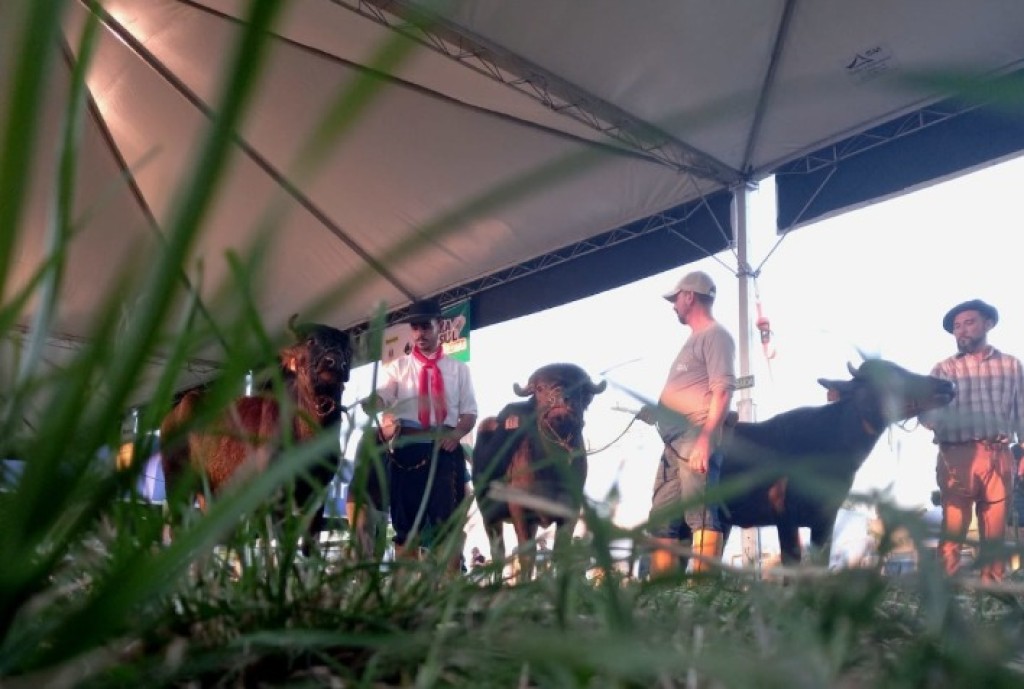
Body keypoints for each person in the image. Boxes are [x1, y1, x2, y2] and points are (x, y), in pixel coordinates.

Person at [362, 298, 478, 569]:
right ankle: (405, 589)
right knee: (405, 527)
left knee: (447, 525)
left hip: (444, 451)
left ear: (440, 326)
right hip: (407, 452)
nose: (419, 334)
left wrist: (456, 434)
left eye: (426, 326)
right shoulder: (398, 367)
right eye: (415, 328)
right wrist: (374, 402)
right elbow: (385, 393)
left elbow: (470, 414)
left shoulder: (459, 370)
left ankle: (447, 588)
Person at [639, 270, 736, 577]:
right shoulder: (697, 339)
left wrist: (706, 440)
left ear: (690, 296)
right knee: (662, 517)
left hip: (695, 436)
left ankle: (705, 589)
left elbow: (723, 391)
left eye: (676, 298)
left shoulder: (715, 335)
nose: (674, 305)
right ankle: (663, 590)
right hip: (675, 444)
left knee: (700, 512)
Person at [919, 299, 1024, 582]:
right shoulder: (943, 370)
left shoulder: (1012, 366)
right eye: (957, 327)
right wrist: (928, 414)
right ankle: (946, 590)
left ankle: (994, 590)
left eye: (969, 323)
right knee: (953, 529)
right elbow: (926, 413)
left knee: (995, 531)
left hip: (998, 454)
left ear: (987, 324)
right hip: (956, 454)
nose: (962, 330)